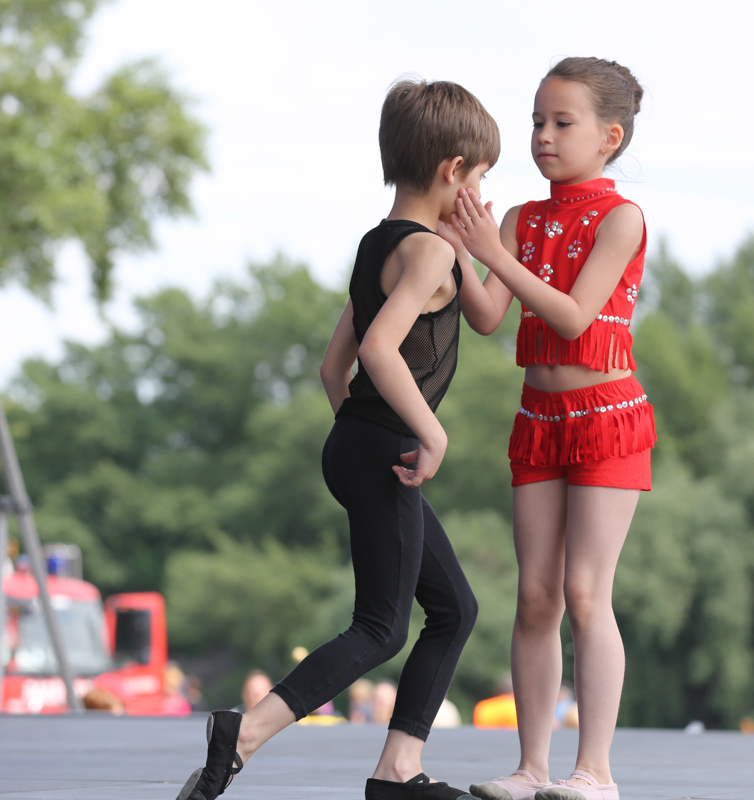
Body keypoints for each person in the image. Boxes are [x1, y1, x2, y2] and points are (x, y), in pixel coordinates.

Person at [175, 77, 497, 800]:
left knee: (453, 609)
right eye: (480, 178)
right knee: (381, 627)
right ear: (453, 171)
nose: (480, 195)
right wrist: (429, 433)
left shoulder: (378, 244)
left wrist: (359, 436)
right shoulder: (429, 255)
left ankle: (397, 770)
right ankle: (244, 734)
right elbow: (378, 351)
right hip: (386, 448)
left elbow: (334, 367)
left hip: (356, 441)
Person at [446, 57, 651, 800]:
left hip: (606, 422)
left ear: (609, 137)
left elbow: (571, 317)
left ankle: (595, 770)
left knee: (586, 593)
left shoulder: (621, 218)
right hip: (539, 420)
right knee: (536, 597)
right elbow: (487, 316)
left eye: (563, 122)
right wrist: (459, 246)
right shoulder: (517, 220)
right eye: (537, 120)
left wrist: (492, 254)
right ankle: (531, 767)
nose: (543, 135)